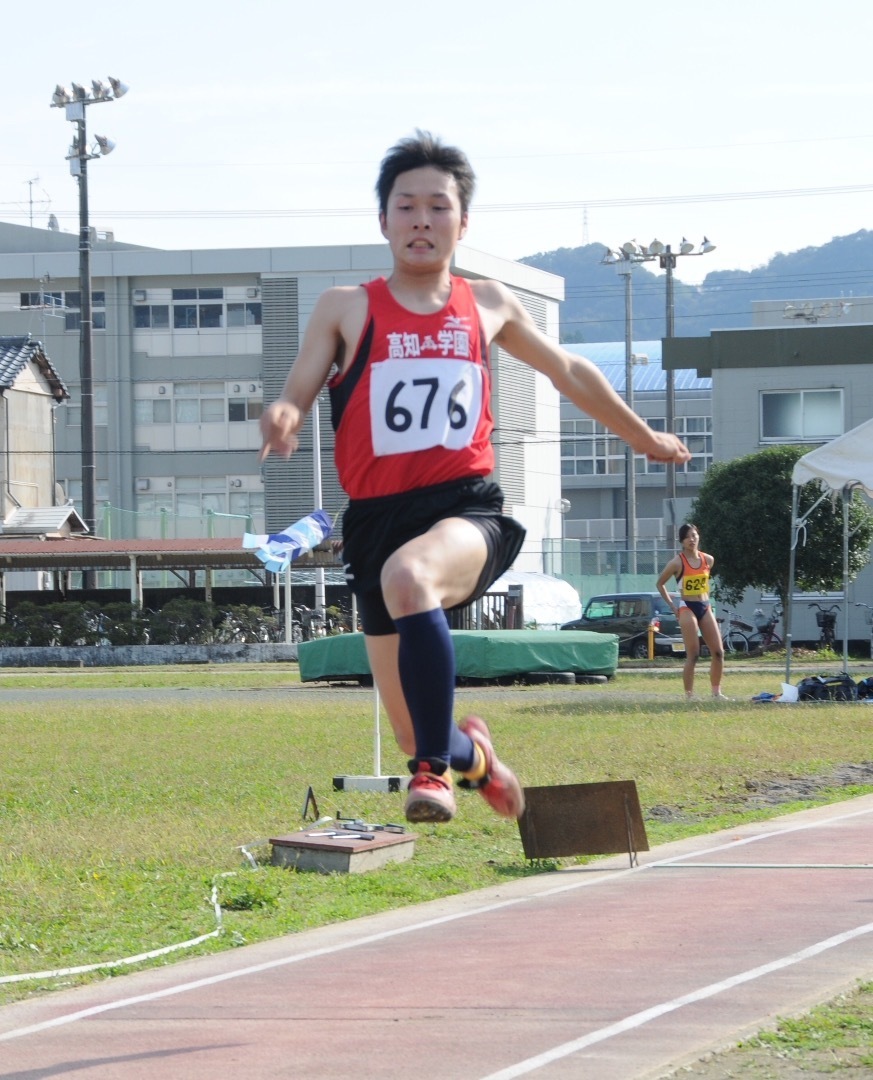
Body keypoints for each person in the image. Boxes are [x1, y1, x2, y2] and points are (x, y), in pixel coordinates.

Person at [259, 131, 692, 824]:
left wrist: (641, 436)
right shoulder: (346, 306)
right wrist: (282, 414)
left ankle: (430, 776)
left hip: (464, 510)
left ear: (463, 222)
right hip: (374, 521)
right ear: (383, 221)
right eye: (406, 207)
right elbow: (300, 385)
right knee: (410, 727)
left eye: (438, 206)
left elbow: (568, 371)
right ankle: (472, 759)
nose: (422, 220)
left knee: (412, 581)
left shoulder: (488, 302)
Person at [656, 523, 725, 699]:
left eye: (694, 535)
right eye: (687, 537)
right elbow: (660, 583)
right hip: (687, 607)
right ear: (682, 541)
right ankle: (689, 696)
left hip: (704, 605)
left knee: (718, 652)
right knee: (693, 655)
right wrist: (672, 606)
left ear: (698, 537)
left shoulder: (708, 560)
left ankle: (716, 693)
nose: (692, 539)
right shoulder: (677, 562)